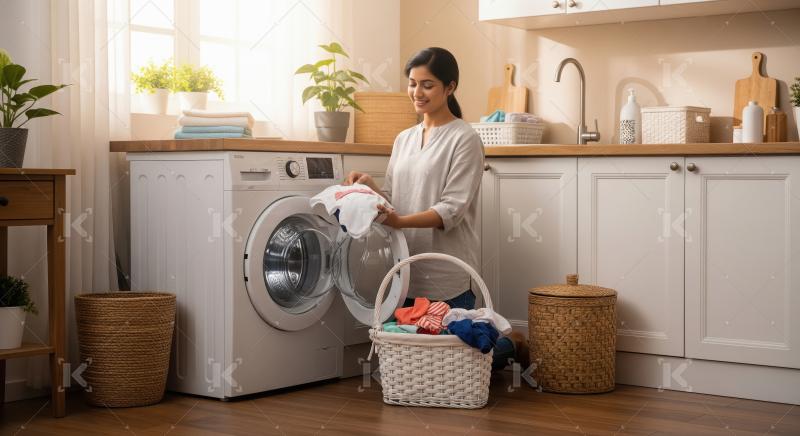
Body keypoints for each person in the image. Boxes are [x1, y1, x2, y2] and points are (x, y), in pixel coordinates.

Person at [344, 47, 528, 370]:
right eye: (412, 83)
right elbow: (391, 196)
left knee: (447, 365)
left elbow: (451, 211)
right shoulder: (403, 139)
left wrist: (399, 221)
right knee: (418, 364)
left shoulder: (465, 139)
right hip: (406, 275)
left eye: (427, 84)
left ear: (450, 87)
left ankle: (510, 343)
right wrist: (369, 187)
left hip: (448, 280)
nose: (417, 92)